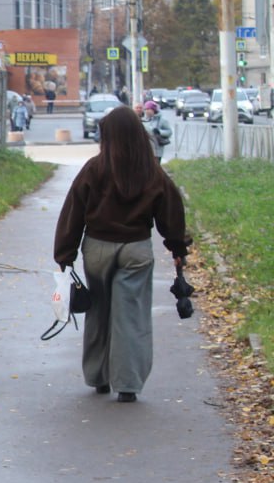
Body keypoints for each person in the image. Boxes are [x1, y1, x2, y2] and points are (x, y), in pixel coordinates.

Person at [53, 106, 192, 404]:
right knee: (131, 316)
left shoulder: (94, 168)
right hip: (136, 250)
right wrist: (177, 248)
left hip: (97, 249)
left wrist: (65, 254)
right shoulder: (151, 172)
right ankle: (127, 384)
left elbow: (73, 211)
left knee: (99, 310)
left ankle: (98, 377)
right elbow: (171, 211)